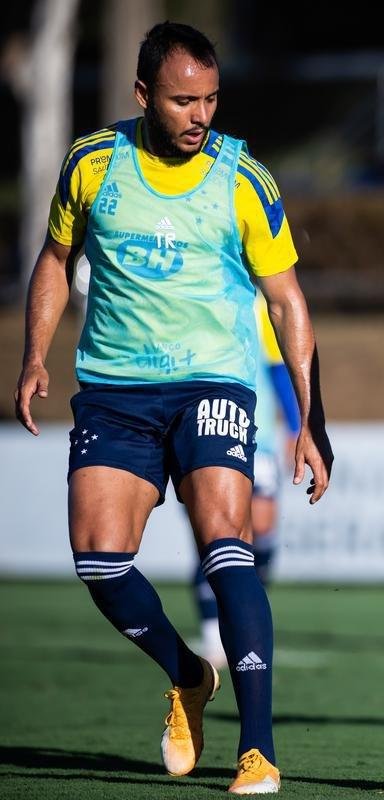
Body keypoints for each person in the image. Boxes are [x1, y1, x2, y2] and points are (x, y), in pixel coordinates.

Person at [13, 22, 332, 794]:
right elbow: (55, 261)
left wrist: (312, 419)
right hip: (116, 392)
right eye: (184, 100)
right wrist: (32, 355)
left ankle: (257, 750)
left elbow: (287, 302)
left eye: (211, 99)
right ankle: (188, 673)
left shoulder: (244, 177)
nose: (201, 115)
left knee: (228, 541)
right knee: (98, 560)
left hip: (214, 383)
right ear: (142, 96)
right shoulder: (93, 162)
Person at [194, 292, 302, 670]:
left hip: (261, 440)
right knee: (216, 533)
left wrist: (295, 425)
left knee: (260, 534)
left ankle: (243, 612)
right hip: (207, 431)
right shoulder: (196, 296)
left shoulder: (259, 306)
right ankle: (213, 638)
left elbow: (277, 368)